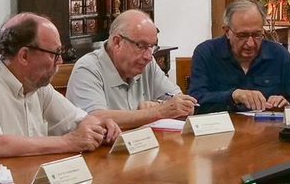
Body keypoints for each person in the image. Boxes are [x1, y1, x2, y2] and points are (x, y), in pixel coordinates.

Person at [0, 13, 119, 157]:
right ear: (24, 56)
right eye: (55, 53)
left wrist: (101, 126)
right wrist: (68, 142)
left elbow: (78, 120)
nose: (60, 61)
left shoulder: (37, 85)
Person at [65, 10, 197, 128]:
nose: (148, 56)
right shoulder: (88, 69)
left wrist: (158, 104)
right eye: (141, 46)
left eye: (152, 47)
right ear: (117, 42)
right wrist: (157, 112)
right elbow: (96, 118)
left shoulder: (147, 64)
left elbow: (181, 103)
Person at [187, 0, 290, 114]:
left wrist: (285, 106)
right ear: (227, 31)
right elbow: (194, 102)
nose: (250, 43)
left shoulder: (279, 55)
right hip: (221, 132)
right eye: (242, 35)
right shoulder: (206, 53)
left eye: (257, 34)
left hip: (267, 132)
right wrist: (233, 96)